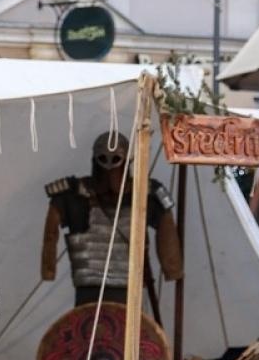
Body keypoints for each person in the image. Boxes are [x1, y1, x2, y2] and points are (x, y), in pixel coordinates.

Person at [42, 131, 182, 307]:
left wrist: (172, 269)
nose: (109, 167)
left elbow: (167, 231)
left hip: (129, 288)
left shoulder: (147, 193)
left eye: (115, 159)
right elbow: (50, 233)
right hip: (89, 287)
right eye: (103, 159)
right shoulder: (71, 194)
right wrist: (48, 269)